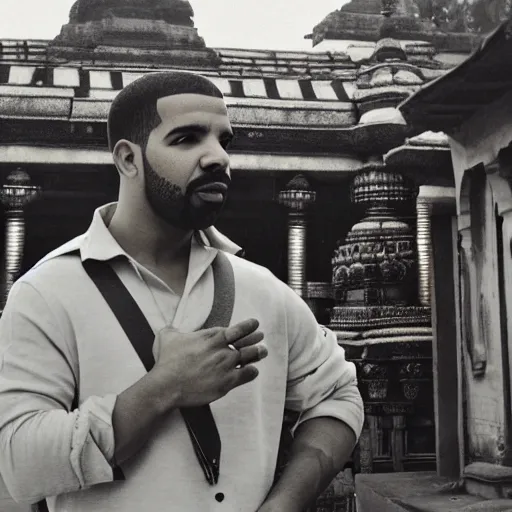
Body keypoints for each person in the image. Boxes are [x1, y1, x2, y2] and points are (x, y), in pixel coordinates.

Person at [0, 71, 364, 512]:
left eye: (223, 141)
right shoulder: (46, 293)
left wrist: (286, 502)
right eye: (187, 139)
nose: (217, 158)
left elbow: (339, 395)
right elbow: (16, 463)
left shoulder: (263, 290)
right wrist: (163, 388)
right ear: (128, 159)